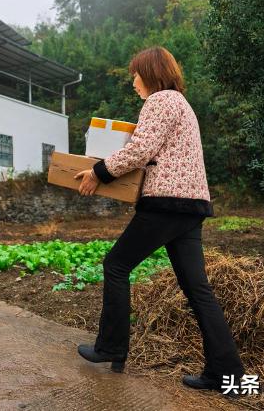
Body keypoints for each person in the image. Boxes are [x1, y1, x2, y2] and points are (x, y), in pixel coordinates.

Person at [73, 46, 244, 397]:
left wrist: (98, 171)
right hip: (191, 205)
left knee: (116, 264)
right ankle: (227, 374)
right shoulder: (181, 103)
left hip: (167, 203)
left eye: (136, 74)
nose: (133, 81)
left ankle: (111, 348)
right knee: (198, 291)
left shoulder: (161, 100)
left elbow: (140, 150)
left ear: (150, 73)